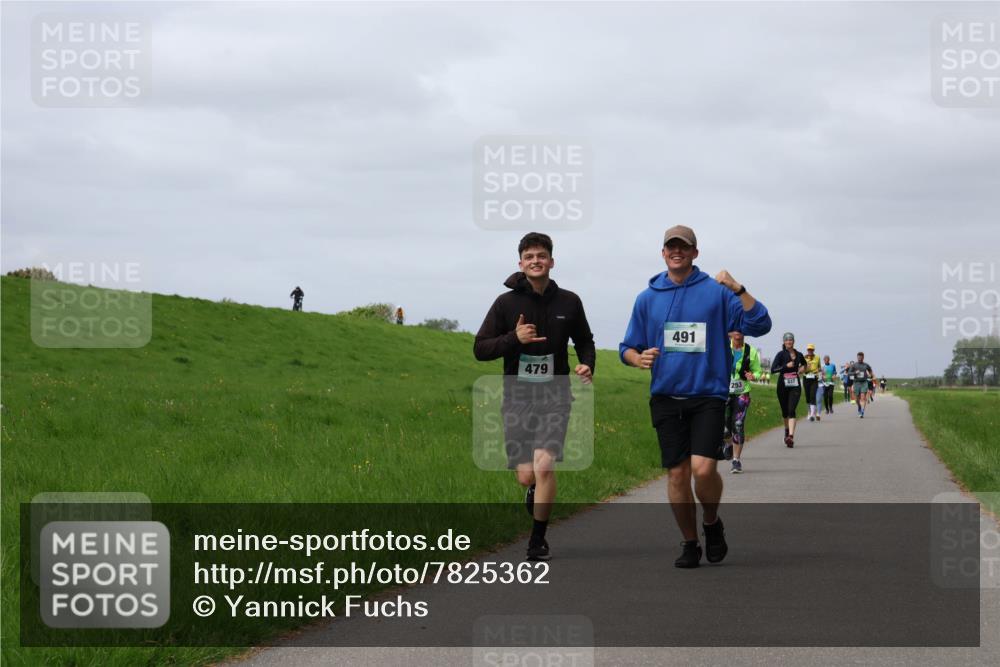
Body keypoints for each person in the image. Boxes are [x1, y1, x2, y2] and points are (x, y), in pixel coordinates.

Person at [620, 225, 771, 568]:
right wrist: (637, 358)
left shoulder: (716, 293)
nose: (677, 252)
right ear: (662, 253)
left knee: (703, 471)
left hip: (707, 395)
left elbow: (760, 323)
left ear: (694, 253)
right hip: (665, 396)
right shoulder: (647, 298)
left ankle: (711, 523)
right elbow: (627, 346)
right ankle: (690, 543)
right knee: (676, 475)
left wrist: (738, 287)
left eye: (684, 247)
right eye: (671, 247)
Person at [474, 232, 595, 561]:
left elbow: (585, 340)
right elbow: (480, 349)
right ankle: (533, 492)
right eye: (529, 257)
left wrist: (587, 364)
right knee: (527, 475)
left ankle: (538, 540)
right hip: (517, 397)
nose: (536, 261)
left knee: (544, 467)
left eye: (541, 255)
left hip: (556, 394)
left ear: (551, 261)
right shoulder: (506, 303)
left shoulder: (569, 302)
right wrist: (514, 338)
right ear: (521, 264)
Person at [723, 331, 762, 474]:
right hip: (723, 392)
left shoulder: (751, 351)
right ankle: (727, 444)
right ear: (730, 333)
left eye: (741, 329)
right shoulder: (723, 347)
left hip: (742, 393)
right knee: (725, 427)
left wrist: (753, 376)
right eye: (735, 329)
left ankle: (736, 460)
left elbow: (758, 372)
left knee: (738, 425)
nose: (738, 332)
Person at [771, 333, 806, 447]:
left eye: (790, 340)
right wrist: (786, 366)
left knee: (791, 410)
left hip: (795, 385)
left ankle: (790, 436)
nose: (789, 342)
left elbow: (805, 365)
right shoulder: (780, 355)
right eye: (787, 340)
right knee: (785, 412)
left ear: (793, 341)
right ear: (784, 342)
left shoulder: (799, 354)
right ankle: (786, 430)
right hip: (782, 385)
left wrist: (801, 369)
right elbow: (773, 369)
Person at [851, 352, 874, 418]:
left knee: (863, 397)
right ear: (857, 357)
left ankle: (862, 412)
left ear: (863, 357)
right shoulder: (854, 365)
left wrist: (870, 374)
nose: (859, 358)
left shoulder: (866, 365)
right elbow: (849, 373)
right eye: (858, 357)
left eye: (861, 357)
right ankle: (859, 407)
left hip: (864, 382)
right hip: (856, 382)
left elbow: (870, 370)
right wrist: (855, 372)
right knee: (857, 399)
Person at [803, 344, 822, 422]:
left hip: (814, 378)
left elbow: (819, 367)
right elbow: (801, 367)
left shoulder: (817, 357)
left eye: (811, 350)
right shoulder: (804, 357)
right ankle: (809, 411)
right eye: (808, 350)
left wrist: (819, 373)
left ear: (813, 350)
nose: (810, 351)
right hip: (806, 378)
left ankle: (812, 415)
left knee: (812, 395)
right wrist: (804, 369)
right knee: (808, 396)